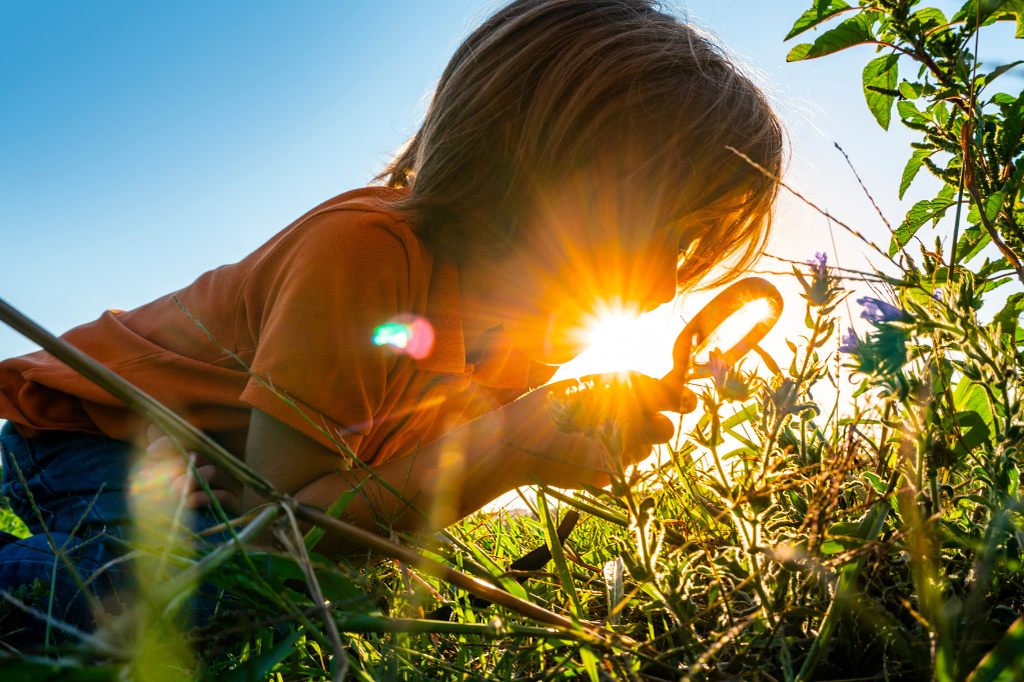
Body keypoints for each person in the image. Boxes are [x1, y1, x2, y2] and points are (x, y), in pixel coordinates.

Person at [0, 0, 783, 641]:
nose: (670, 282)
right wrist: (509, 448)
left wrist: (546, 442)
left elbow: (382, 500)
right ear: (544, 172)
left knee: (310, 589)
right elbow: (284, 527)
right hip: (96, 430)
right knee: (216, 596)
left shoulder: (532, 337)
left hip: (237, 471)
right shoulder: (366, 255)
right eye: (666, 231)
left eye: (693, 248)